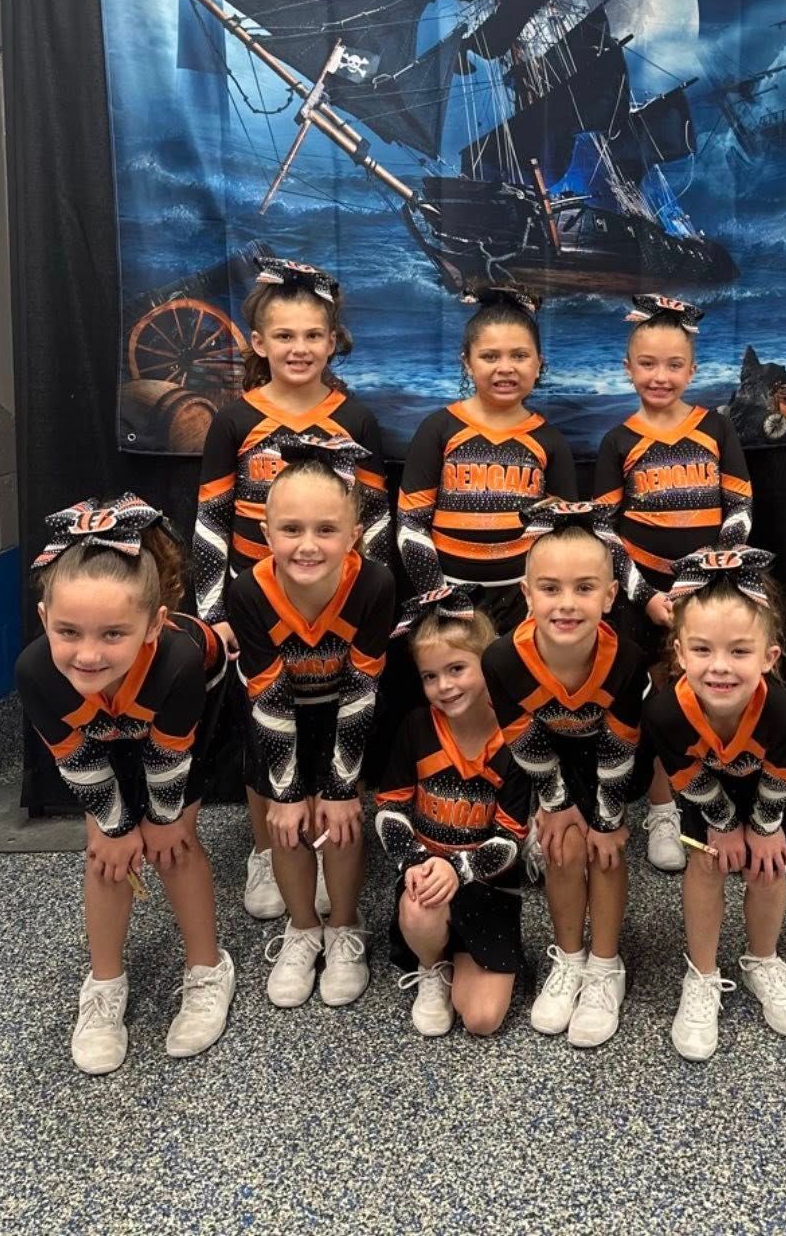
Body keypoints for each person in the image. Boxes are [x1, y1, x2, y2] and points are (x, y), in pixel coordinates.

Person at [195, 256, 391, 921]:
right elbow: (211, 517)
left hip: (337, 600)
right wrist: (214, 611)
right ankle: (266, 848)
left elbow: (376, 520)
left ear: (332, 341)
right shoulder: (234, 419)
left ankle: (335, 846)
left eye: (312, 335)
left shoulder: (355, 418)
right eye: (284, 336)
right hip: (255, 608)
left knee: (337, 718)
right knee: (265, 727)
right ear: (258, 343)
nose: (299, 348)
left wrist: (370, 595)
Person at [16, 493, 234, 1074]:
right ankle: (104, 983)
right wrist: (113, 829)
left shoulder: (178, 660)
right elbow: (77, 760)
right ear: (44, 619)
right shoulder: (36, 671)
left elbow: (169, 757)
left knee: (173, 844)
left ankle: (207, 967)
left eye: (113, 633)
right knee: (106, 853)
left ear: (153, 625)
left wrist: (160, 821)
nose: (87, 654)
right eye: (68, 631)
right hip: (105, 729)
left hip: (188, 715)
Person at [227, 438, 395, 1010]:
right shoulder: (248, 592)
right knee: (288, 825)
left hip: (343, 710)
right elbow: (268, 696)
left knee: (342, 824)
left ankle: (344, 924)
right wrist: (289, 792)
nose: (307, 545)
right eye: (291, 529)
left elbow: (363, 687)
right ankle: (302, 927)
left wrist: (342, 789)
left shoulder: (374, 584)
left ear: (354, 535)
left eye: (326, 530)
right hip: (277, 717)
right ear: (266, 533)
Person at [594, 294, 753, 874]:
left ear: (692, 369)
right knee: (660, 700)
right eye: (647, 364)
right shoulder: (618, 440)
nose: (659, 376)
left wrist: (708, 575)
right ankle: (662, 809)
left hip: (710, 588)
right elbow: (605, 530)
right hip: (647, 591)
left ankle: (726, 807)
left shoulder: (715, 427)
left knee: (716, 690)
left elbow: (740, 508)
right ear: (628, 368)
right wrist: (647, 596)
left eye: (673, 365)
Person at [482, 501, 648, 1048]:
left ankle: (605, 965)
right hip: (544, 758)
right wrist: (554, 805)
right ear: (527, 595)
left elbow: (620, 746)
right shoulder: (502, 659)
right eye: (550, 589)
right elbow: (522, 739)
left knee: (604, 850)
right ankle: (570, 956)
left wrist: (606, 820)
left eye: (584, 588)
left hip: (609, 761)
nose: (567, 603)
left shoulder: (627, 660)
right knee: (562, 847)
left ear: (610, 595)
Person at [644, 548, 786, 1061]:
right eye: (702, 649)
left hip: (766, 794)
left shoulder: (785, 712)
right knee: (707, 862)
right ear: (679, 653)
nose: (719, 667)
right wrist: (721, 825)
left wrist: (763, 830)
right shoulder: (665, 711)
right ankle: (702, 973)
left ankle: (762, 960)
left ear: (769, 658)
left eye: (739, 652)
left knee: (767, 868)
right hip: (704, 791)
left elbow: (783, 776)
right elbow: (684, 775)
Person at [376, 588, 530, 1037]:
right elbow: (388, 809)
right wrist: (417, 862)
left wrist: (458, 869)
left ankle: (464, 954)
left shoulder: (516, 736)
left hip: (487, 883)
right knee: (420, 907)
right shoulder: (415, 726)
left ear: (488, 663)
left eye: (457, 669)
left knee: (481, 1019)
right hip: (428, 877)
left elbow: (510, 840)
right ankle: (432, 967)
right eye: (430, 676)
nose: (444, 686)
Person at [397, 286, 577, 635]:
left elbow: (565, 536)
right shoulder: (439, 429)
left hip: (524, 602)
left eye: (520, 356)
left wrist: (542, 599)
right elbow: (411, 522)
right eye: (490, 356)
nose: (505, 368)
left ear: (539, 362)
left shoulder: (550, 441)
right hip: (449, 596)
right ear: (467, 362)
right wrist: (440, 597)